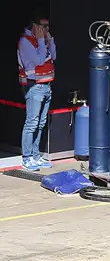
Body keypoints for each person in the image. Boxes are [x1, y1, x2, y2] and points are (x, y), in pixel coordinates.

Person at [17, 10, 56, 171]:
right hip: (34, 87)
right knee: (31, 123)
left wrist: (49, 40)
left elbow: (53, 56)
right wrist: (41, 41)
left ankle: (35, 155)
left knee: (41, 123)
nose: (46, 29)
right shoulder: (26, 41)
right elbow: (39, 60)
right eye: (43, 26)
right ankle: (27, 157)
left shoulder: (42, 40)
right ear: (34, 26)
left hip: (47, 86)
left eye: (48, 26)